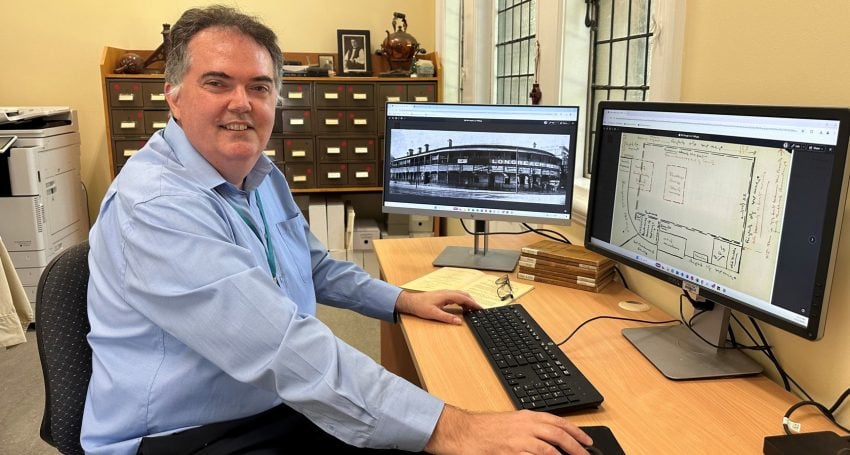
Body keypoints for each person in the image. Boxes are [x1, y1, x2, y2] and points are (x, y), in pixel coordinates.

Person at [83, 5, 593, 454]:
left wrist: (398, 300)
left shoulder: (259, 174)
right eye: (217, 83)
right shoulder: (155, 206)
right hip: (186, 432)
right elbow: (280, 346)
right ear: (173, 96)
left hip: (272, 401)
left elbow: (313, 266)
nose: (242, 103)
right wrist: (452, 428)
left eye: (259, 87)